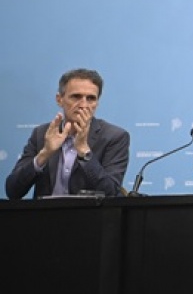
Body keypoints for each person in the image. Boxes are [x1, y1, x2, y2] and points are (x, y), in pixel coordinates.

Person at [5, 68, 130, 199]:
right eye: (76, 97)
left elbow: (111, 193)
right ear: (59, 99)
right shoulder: (41, 134)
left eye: (91, 98)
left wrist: (84, 152)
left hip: (88, 212)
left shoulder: (114, 137)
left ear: (97, 103)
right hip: (45, 211)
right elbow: (13, 191)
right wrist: (45, 153)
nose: (83, 105)